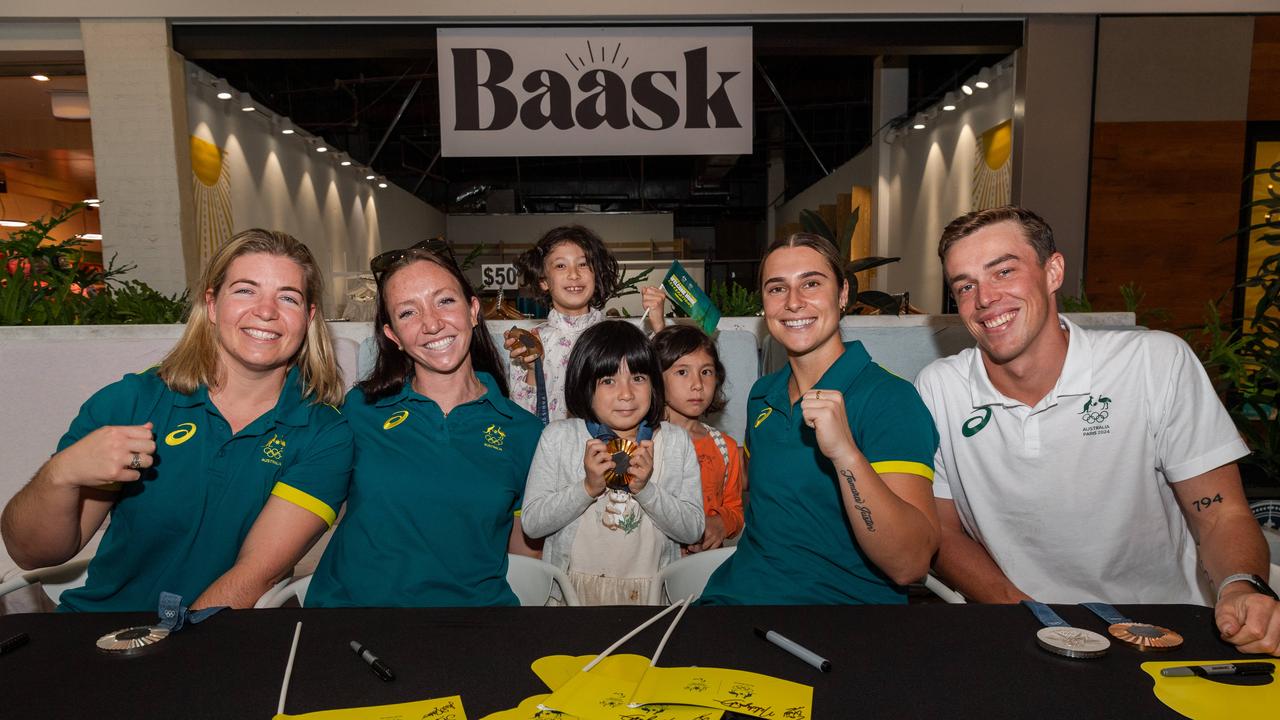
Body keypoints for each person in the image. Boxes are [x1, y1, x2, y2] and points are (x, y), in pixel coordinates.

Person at [915, 205, 1280, 656]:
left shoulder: (1154, 362)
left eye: (1004, 271)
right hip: (1024, 626)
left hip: (1163, 627)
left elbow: (1221, 513)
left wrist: (1241, 586)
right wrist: (1029, 615)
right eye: (964, 285)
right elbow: (942, 531)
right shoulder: (939, 388)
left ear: (1053, 272)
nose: (984, 298)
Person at [0, 230, 352, 612]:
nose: (266, 311)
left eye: (288, 297)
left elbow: (255, 574)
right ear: (213, 305)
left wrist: (166, 644)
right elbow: (31, 554)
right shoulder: (134, 401)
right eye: (245, 290)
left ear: (308, 317)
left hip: (213, 640)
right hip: (95, 630)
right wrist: (59, 474)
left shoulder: (324, 434)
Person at [699, 233, 939, 605]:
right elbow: (759, 493)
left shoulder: (890, 400)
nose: (794, 302)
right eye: (777, 289)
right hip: (734, 602)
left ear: (842, 295)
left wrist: (846, 456)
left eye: (811, 283)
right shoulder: (762, 394)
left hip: (837, 620)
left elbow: (909, 564)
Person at [306, 245, 541, 607]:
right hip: (352, 620)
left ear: (473, 310)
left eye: (445, 301)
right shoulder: (361, 410)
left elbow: (526, 556)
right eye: (408, 312)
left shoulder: (524, 432)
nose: (432, 324)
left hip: (474, 625)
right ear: (393, 335)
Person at [520, 320, 703, 605]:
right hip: (572, 595)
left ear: (654, 384)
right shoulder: (558, 437)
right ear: (584, 385)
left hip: (651, 596)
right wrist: (586, 488)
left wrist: (646, 490)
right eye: (608, 381)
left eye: (638, 378)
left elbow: (692, 529)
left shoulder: (676, 442)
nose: (626, 393)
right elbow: (532, 524)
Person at [504, 225, 620, 424]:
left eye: (583, 264)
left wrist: (658, 326)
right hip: (551, 451)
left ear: (596, 274)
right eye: (560, 266)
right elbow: (522, 420)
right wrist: (533, 370)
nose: (574, 274)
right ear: (543, 281)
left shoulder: (617, 337)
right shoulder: (531, 341)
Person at [652, 324, 744, 553]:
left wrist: (721, 523)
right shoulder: (643, 442)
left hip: (703, 570)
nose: (697, 385)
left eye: (706, 372)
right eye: (682, 372)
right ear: (656, 379)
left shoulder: (725, 447)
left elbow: (735, 509)